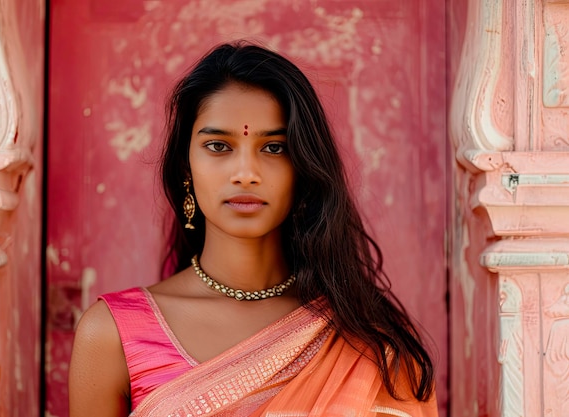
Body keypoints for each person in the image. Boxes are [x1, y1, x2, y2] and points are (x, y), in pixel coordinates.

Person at [69, 41, 439, 417]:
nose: (246, 173)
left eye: (275, 148)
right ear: (185, 166)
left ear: (304, 168)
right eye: (218, 146)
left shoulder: (366, 340)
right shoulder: (111, 335)